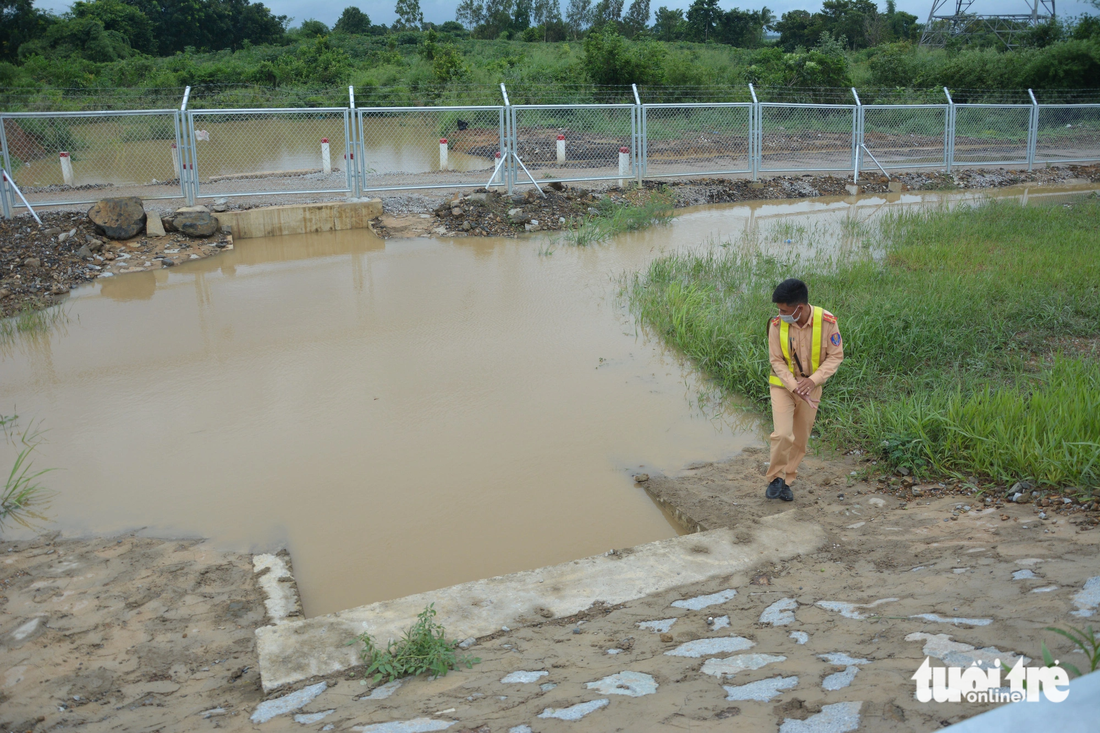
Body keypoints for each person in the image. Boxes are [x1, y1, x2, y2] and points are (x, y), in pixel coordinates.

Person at [765, 278, 844, 502]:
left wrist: (813, 381)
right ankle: (774, 478)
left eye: (784, 310)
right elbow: (776, 360)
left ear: (798, 308)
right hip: (783, 386)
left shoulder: (827, 322)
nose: (780, 314)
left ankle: (787, 480)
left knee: (800, 439)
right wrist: (793, 385)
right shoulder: (777, 325)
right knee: (782, 434)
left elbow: (836, 356)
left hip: (811, 389)